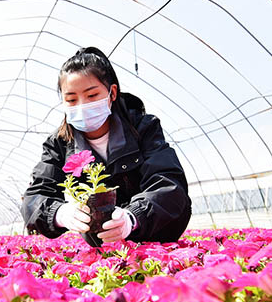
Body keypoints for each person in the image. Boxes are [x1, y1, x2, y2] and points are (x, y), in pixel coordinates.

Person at [21, 46, 191, 244]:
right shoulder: (60, 143)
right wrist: (60, 213)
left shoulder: (143, 128)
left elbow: (168, 183)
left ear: (112, 93)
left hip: (154, 236)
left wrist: (132, 218)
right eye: (71, 99)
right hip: (101, 243)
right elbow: (35, 196)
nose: (82, 106)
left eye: (92, 95)